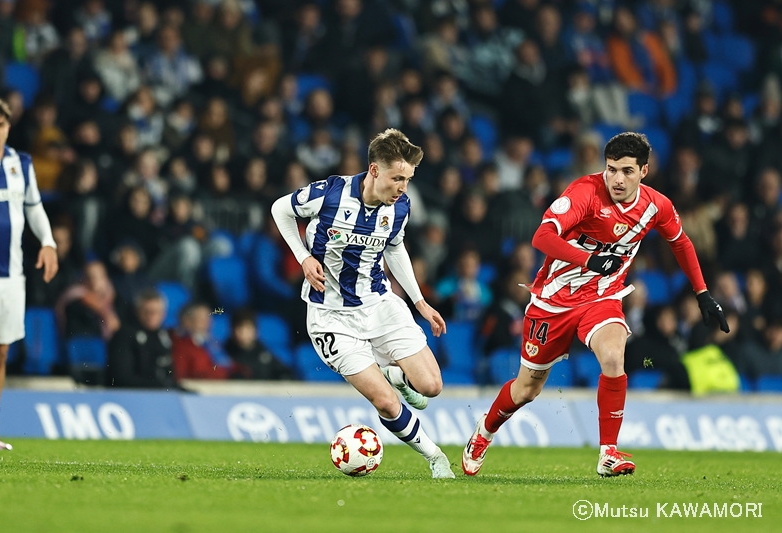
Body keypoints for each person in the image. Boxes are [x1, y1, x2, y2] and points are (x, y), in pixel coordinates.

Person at [461, 132, 729, 477]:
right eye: (612, 169)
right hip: (553, 300)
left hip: (602, 297)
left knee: (615, 356)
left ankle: (608, 453)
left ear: (643, 171)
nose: (617, 179)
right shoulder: (584, 192)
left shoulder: (655, 205)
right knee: (527, 388)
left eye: (627, 171)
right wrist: (587, 260)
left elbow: (681, 242)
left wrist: (702, 293)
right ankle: (484, 432)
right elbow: (541, 237)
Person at [270, 128, 454, 479]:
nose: (402, 187)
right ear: (373, 171)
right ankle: (435, 456)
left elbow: (396, 247)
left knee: (431, 387)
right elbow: (280, 209)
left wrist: (419, 302)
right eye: (397, 178)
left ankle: (393, 374)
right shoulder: (330, 193)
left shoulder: (400, 206)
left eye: (408, 179)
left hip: (380, 304)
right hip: (331, 317)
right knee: (385, 401)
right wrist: (303, 257)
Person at [0, 98, 58, 450]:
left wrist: (48, 242)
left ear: (8, 128)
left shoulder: (22, 164)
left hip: (10, 277)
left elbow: (34, 207)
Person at [107, 288, 176, 389]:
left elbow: (169, 373)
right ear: (137, 311)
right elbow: (122, 377)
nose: (151, 316)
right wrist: (160, 386)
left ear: (163, 314)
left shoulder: (163, 337)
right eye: (147, 312)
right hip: (133, 395)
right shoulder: (124, 336)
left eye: (156, 312)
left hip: (159, 393)